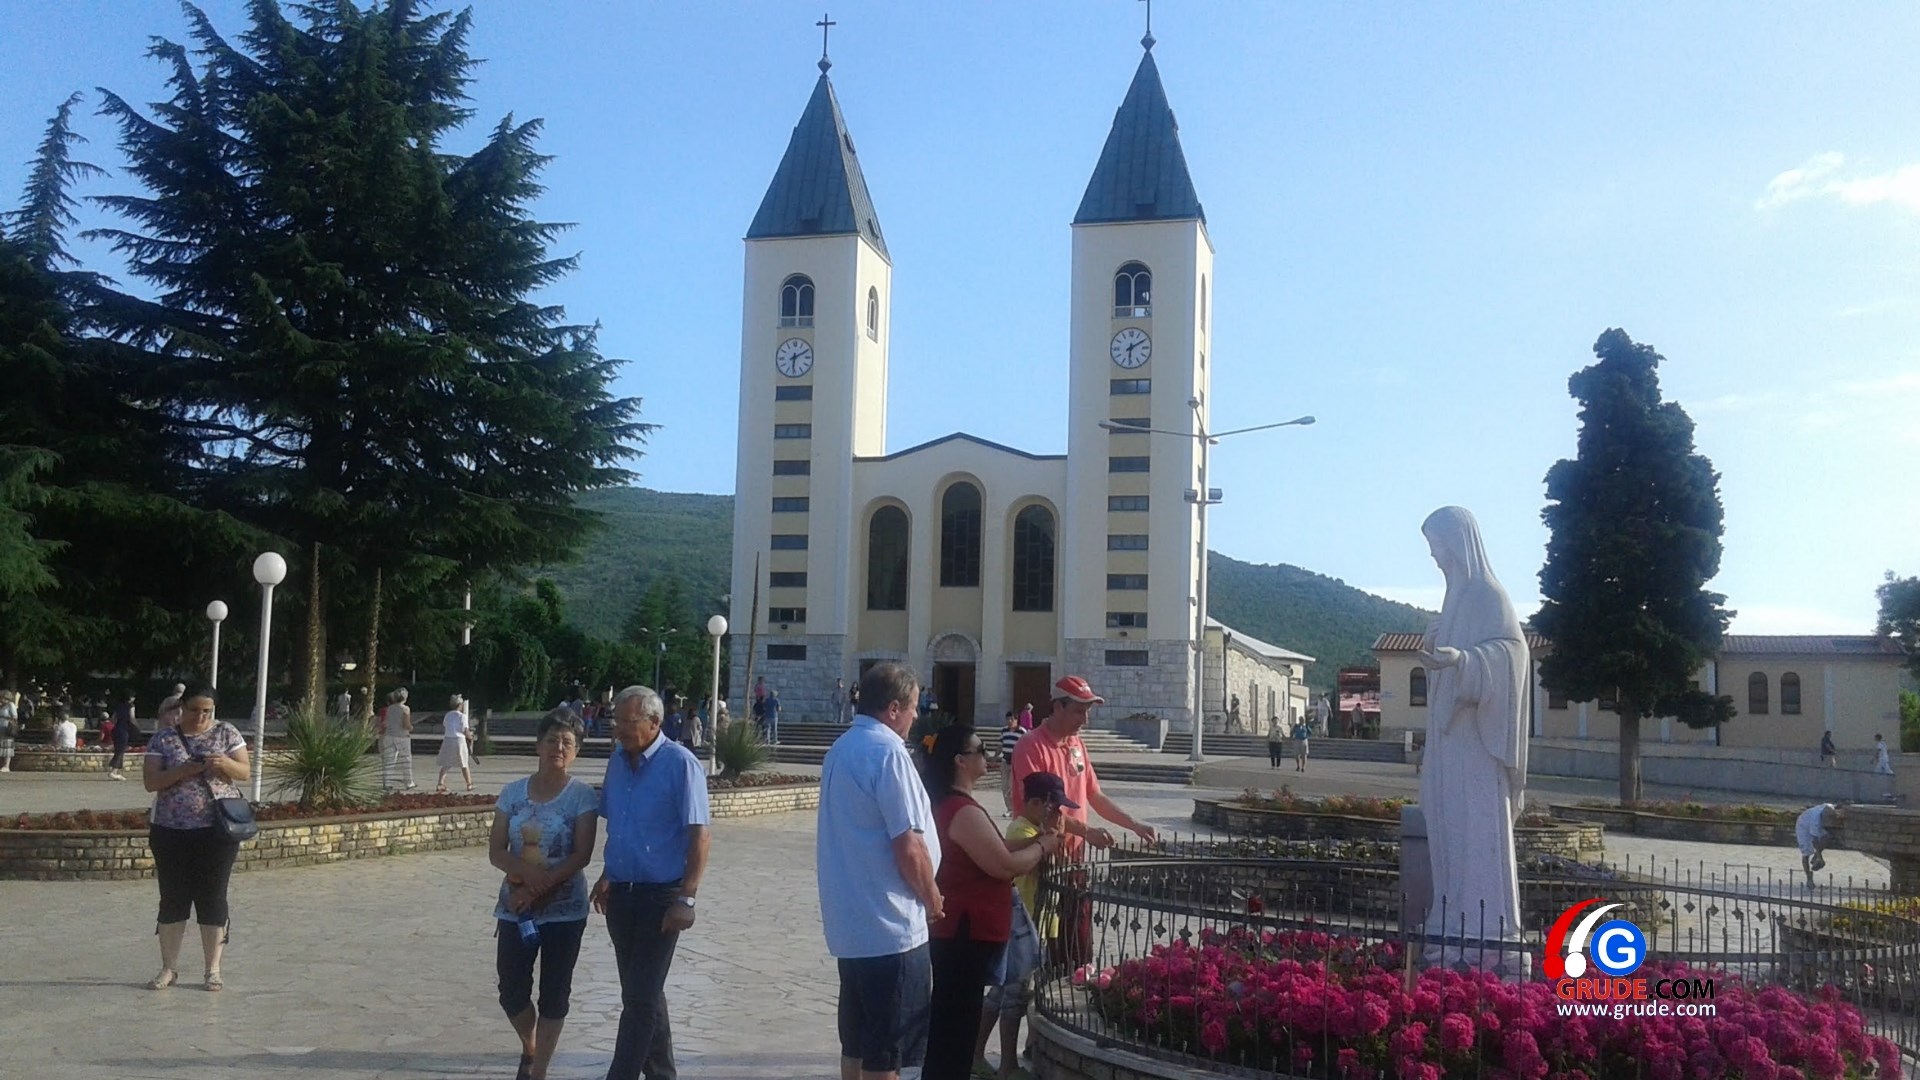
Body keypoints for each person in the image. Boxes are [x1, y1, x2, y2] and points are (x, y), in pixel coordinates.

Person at [1414, 506, 1530, 973]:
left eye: (1437, 546)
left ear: (1458, 543)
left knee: (1477, 834)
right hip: (1450, 744)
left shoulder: (1487, 594)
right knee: (1450, 835)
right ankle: (1452, 925)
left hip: (1478, 748)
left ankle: (1489, 934)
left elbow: (1512, 654)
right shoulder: (1454, 599)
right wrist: (1437, 652)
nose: (1434, 556)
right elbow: (1449, 666)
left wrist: (1462, 661)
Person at [818, 662, 943, 1080]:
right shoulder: (888, 753)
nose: (916, 716)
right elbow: (909, 844)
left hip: (853, 927)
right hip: (891, 929)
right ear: (893, 709)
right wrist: (931, 896)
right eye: (913, 707)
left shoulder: (841, 749)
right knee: (888, 1054)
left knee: (857, 1043)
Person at [921, 726, 1058, 1080]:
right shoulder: (961, 810)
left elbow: (995, 847)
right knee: (956, 1027)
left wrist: (1036, 840)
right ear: (960, 761)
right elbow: (1004, 865)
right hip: (964, 932)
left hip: (959, 932)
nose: (989, 756)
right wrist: (1043, 846)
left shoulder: (954, 804)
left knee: (954, 1021)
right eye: (981, 750)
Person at [591, 685, 710, 1080]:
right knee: (643, 992)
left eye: (629, 722)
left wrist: (687, 899)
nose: (620, 730)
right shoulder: (617, 762)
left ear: (655, 722)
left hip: (661, 899)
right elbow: (620, 827)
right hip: (621, 897)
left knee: (639, 999)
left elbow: (699, 835)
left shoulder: (681, 764)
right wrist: (607, 874)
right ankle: (662, 1074)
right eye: (617, 721)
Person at [490, 710, 599, 1080]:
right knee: (511, 990)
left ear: (576, 751)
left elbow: (581, 854)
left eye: (568, 742)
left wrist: (540, 884)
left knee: (555, 993)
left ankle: (538, 1070)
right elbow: (497, 850)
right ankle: (530, 1045)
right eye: (552, 740)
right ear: (538, 745)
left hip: (564, 912)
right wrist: (527, 881)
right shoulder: (512, 793)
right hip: (516, 907)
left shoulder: (581, 796)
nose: (559, 748)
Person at [142, 686, 250, 992]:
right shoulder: (164, 738)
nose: (200, 717)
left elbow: (245, 772)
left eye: (206, 711)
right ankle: (168, 968)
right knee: (172, 897)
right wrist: (182, 770)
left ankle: (212, 969)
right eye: (194, 710)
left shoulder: (227, 733)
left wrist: (224, 764)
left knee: (213, 896)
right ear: (182, 706)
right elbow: (151, 782)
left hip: (216, 830)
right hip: (170, 829)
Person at [975, 772, 1072, 1080]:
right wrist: (1045, 840)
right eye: (1053, 807)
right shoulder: (1022, 829)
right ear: (1035, 804)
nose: (1058, 814)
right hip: (1022, 925)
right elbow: (1022, 857)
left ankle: (976, 1055)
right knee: (1013, 997)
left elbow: (1059, 864)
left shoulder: (1041, 831)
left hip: (1038, 923)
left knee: (1002, 993)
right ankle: (1007, 1064)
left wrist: (1056, 837)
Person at [1009, 677, 1158, 860]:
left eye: (1087, 712)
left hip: (1074, 855)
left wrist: (1134, 825)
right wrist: (1087, 831)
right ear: (1058, 707)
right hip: (1038, 856)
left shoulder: (1077, 745)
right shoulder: (1030, 746)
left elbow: (1095, 795)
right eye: (1079, 712)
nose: (1085, 720)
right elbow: (1039, 808)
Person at [379, 688, 416, 792]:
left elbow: (386, 722)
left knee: (389, 760)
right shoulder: (405, 709)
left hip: (389, 735)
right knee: (406, 759)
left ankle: (387, 783)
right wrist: (411, 728)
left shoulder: (390, 708)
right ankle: (409, 782)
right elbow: (406, 724)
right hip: (402, 736)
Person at [437, 694, 475, 794]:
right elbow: (465, 731)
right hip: (459, 740)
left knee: (447, 763)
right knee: (464, 762)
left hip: (448, 739)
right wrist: (470, 736)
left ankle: (440, 783)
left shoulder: (448, 715)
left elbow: (445, 725)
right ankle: (469, 784)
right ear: (460, 705)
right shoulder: (462, 716)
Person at [1796, 802, 1836, 888]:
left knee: (1827, 837)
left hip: (1816, 823)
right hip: (1803, 826)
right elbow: (1814, 841)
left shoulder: (1829, 807)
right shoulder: (1815, 821)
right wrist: (1820, 857)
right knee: (1806, 853)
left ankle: (1815, 858)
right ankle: (1809, 877)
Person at [998, 712, 1023, 814]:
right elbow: (1000, 745)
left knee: (1011, 786)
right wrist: (995, 756)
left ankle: (1015, 808)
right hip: (1005, 761)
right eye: (1008, 719)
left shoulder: (1022, 731)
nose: (1009, 721)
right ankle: (1009, 809)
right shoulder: (1004, 731)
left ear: (1017, 720)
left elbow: (1026, 746)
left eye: (1012, 719)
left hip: (1016, 762)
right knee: (1004, 786)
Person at [108, 691, 136, 780]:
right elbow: (132, 717)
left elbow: (113, 718)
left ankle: (115, 771)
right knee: (120, 751)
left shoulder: (118, 705)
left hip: (116, 729)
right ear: (130, 697)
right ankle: (114, 771)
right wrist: (137, 727)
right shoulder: (131, 705)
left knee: (118, 749)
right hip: (124, 730)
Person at [0, 689, 17, 772]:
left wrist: (3, 717)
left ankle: (6, 766)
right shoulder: (1, 706)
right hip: (1, 728)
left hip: (7, 728)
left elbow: (14, 717)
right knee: (2, 747)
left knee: (7, 747)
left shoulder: (11, 705)